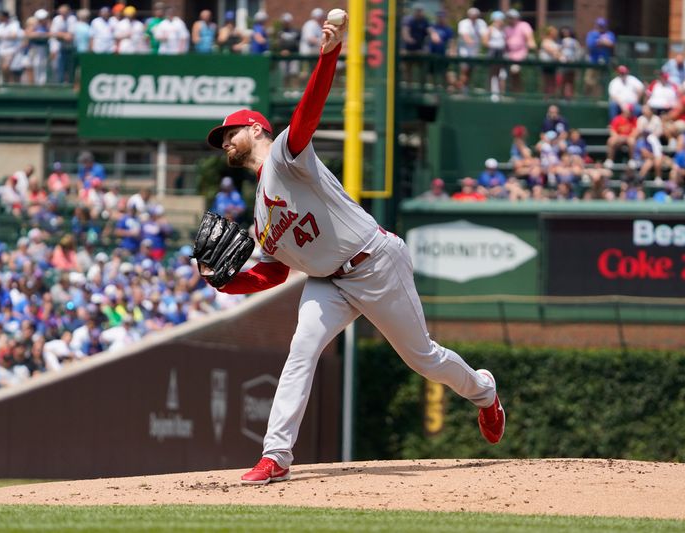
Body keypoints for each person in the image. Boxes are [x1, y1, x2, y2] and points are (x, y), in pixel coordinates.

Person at [204, 14, 504, 485]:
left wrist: (329, 55)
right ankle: (276, 456)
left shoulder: (285, 155)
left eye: (230, 133)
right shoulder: (260, 216)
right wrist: (224, 282)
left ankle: (484, 392)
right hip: (328, 283)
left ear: (257, 130)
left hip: (375, 260)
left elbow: (308, 112)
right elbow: (274, 273)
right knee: (300, 351)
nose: (225, 142)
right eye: (222, 139)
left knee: (421, 358)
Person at [583, 17, 615, 97]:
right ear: (596, 25)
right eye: (599, 25)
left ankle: (599, 98)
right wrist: (603, 42)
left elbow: (611, 44)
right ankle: (588, 98)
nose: (601, 27)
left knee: (603, 82)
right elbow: (590, 45)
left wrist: (599, 42)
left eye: (603, 25)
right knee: (589, 81)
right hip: (593, 62)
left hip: (605, 62)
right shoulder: (592, 34)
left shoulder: (609, 34)